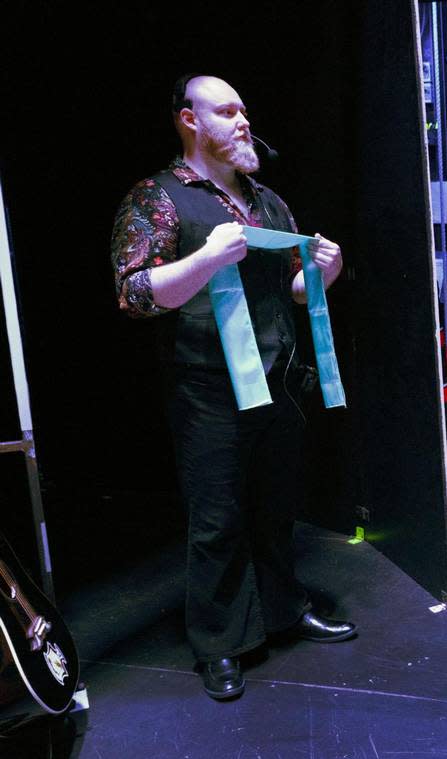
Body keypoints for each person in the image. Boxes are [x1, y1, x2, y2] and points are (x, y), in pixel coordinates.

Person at [110, 74, 355, 701]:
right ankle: (221, 642)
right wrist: (204, 260)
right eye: (226, 111)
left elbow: (292, 290)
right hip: (207, 390)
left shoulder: (268, 202)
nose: (244, 120)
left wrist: (322, 275)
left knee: (277, 510)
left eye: (244, 109)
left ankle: (284, 610)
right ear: (190, 121)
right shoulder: (156, 198)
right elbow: (133, 295)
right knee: (217, 520)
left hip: (279, 381)